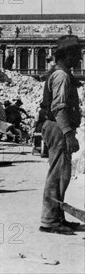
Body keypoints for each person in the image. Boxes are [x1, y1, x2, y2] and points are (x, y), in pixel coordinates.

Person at [39, 35, 82, 235]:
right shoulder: (62, 76)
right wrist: (68, 134)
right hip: (58, 127)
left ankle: (57, 217)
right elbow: (59, 107)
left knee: (62, 174)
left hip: (56, 126)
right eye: (77, 54)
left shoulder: (61, 74)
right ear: (66, 55)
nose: (80, 58)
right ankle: (49, 221)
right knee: (57, 174)